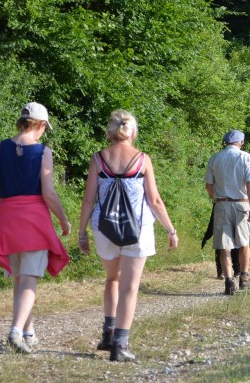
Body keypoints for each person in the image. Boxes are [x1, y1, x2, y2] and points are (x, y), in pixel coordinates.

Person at [0, 102, 71, 354]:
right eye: (44, 128)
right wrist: (63, 219)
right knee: (29, 280)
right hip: (33, 221)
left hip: (7, 219)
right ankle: (15, 331)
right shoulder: (43, 152)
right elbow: (49, 193)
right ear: (40, 125)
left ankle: (28, 331)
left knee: (20, 278)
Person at [78, 110, 179, 362]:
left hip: (104, 228)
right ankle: (120, 345)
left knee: (112, 278)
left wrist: (82, 233)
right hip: (137, 229)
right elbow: (154, 201)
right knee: (130, 287)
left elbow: (88, 200)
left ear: (110, 132)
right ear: (132, 132)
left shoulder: (98, 159)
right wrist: (170, 229)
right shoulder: (142, 159)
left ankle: (108, 334)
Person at [205, 129, 250, 295]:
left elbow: (209, 186)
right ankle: (244, 277)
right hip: (242, 204)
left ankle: (228, 281)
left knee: (224, 245)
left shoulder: (215, 158)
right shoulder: (245, 157)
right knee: (244, 243)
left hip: (222, 205)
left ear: (226, 142)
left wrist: (219, 197)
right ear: (241, 142)